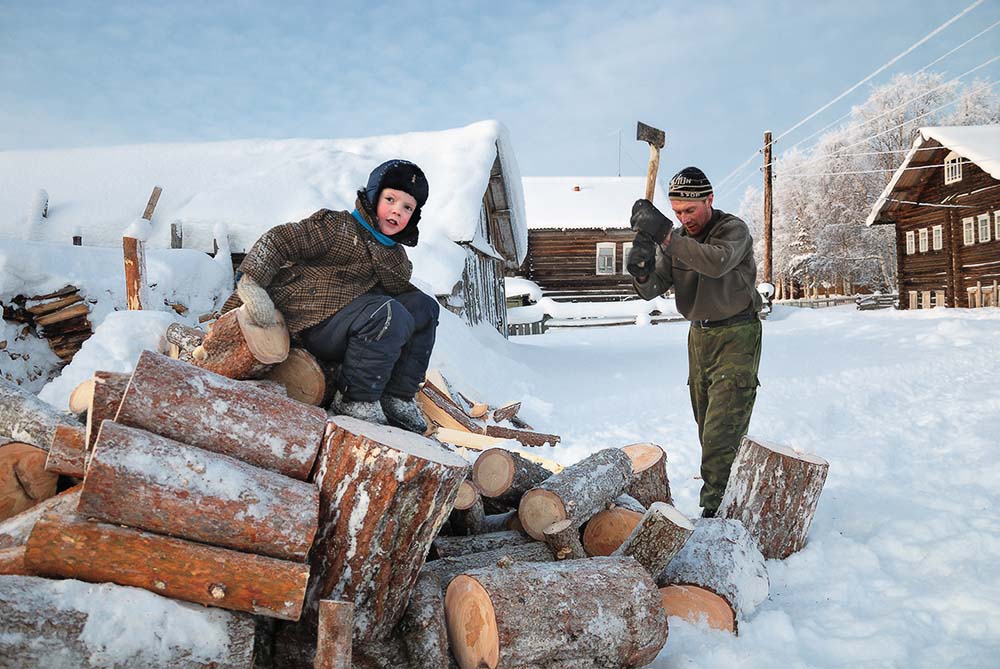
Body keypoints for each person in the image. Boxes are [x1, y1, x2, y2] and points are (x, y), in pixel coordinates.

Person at [226, 159, 439, 433]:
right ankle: (355, 399)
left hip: (350, 324)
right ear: (373, 196)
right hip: (310, 318)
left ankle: (396, 396)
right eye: (390, 199)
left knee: (424, 307)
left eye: (407, 207)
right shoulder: (338, 228)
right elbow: (280, 240)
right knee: (387, 313)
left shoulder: (396, 259)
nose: (397, 211)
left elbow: (406, 313)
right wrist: (252, 282)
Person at [626, 166, 762, 517]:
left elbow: (715, 263)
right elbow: (654, 286)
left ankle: (715, 517)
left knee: (721, 432)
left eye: (690, 211)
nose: (684, 219)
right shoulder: (677, 240)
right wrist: (641, 269)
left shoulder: (733, 230)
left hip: (736, 334)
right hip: (699, 338)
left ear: (709, 200)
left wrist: (666, 235)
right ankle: (731, 497)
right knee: (707, 428)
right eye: (677, 213)